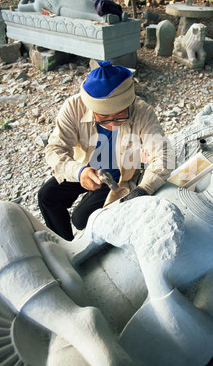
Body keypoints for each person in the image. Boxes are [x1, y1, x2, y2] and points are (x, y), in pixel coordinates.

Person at [0, 140, 213, 366]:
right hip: (79, 264)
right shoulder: (168, 188)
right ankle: (74, 323)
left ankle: (66, 313)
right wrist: (109, 225)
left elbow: (207, 339)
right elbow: (98, 225)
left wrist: (159, 281)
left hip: (122, 326)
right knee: (2, 215)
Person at [38, 60, 174, 240]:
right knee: (47, 196)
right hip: (87, 166)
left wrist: (143, 189)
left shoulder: (141, 111)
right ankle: (65, 246)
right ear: (91, 107)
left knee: (80, 219)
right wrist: (80, 172)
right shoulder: (74, 107)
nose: (111, 124)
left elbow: (165, 155)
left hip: (118, 173)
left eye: (119, 117)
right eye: (103, 118)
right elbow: (55, 149)